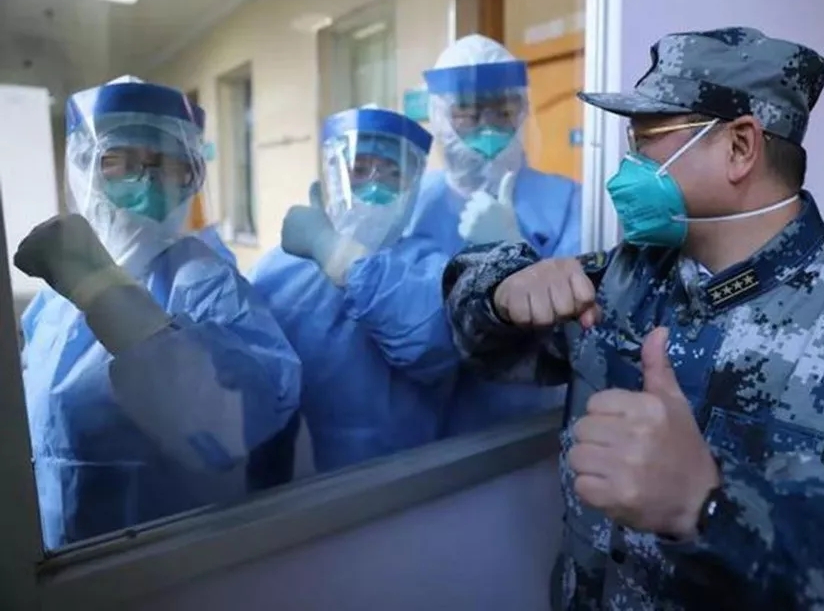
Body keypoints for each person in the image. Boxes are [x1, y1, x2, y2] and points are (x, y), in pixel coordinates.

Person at [441, 27, 824, 609]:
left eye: (647, 140)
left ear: (740, 147)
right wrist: (502, 288)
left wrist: (709, 503)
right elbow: (483, 345)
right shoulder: (628, 276)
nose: (628, 166)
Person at [16, 76, 301, 549]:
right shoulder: (53, 301)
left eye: (167, 164)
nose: (147, 181)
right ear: (83, 166)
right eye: (120, 162)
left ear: (193, 174)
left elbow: (232, 427)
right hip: (57, 553)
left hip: (166, 563)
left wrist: (104, 293)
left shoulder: (207, 284)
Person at [248, 106, 452, 473]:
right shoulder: (279, 271)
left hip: (415, 481)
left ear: (413, 186)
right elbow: (259, 403)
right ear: (332, 174)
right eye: (359, 169)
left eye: (393, 173)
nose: (375, 186)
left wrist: (334, 252)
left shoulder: (427, 264)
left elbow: (428, 347)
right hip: (311, 489)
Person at [407, 33, 582, 436]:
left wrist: (511, 249)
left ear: (522, 110)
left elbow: (578, 324)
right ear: (439, 116)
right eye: (468, 113)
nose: (488, 127)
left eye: (503, 110)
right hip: (431, 439)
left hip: (533, 427)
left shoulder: (568, 201)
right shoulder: (413, 208)